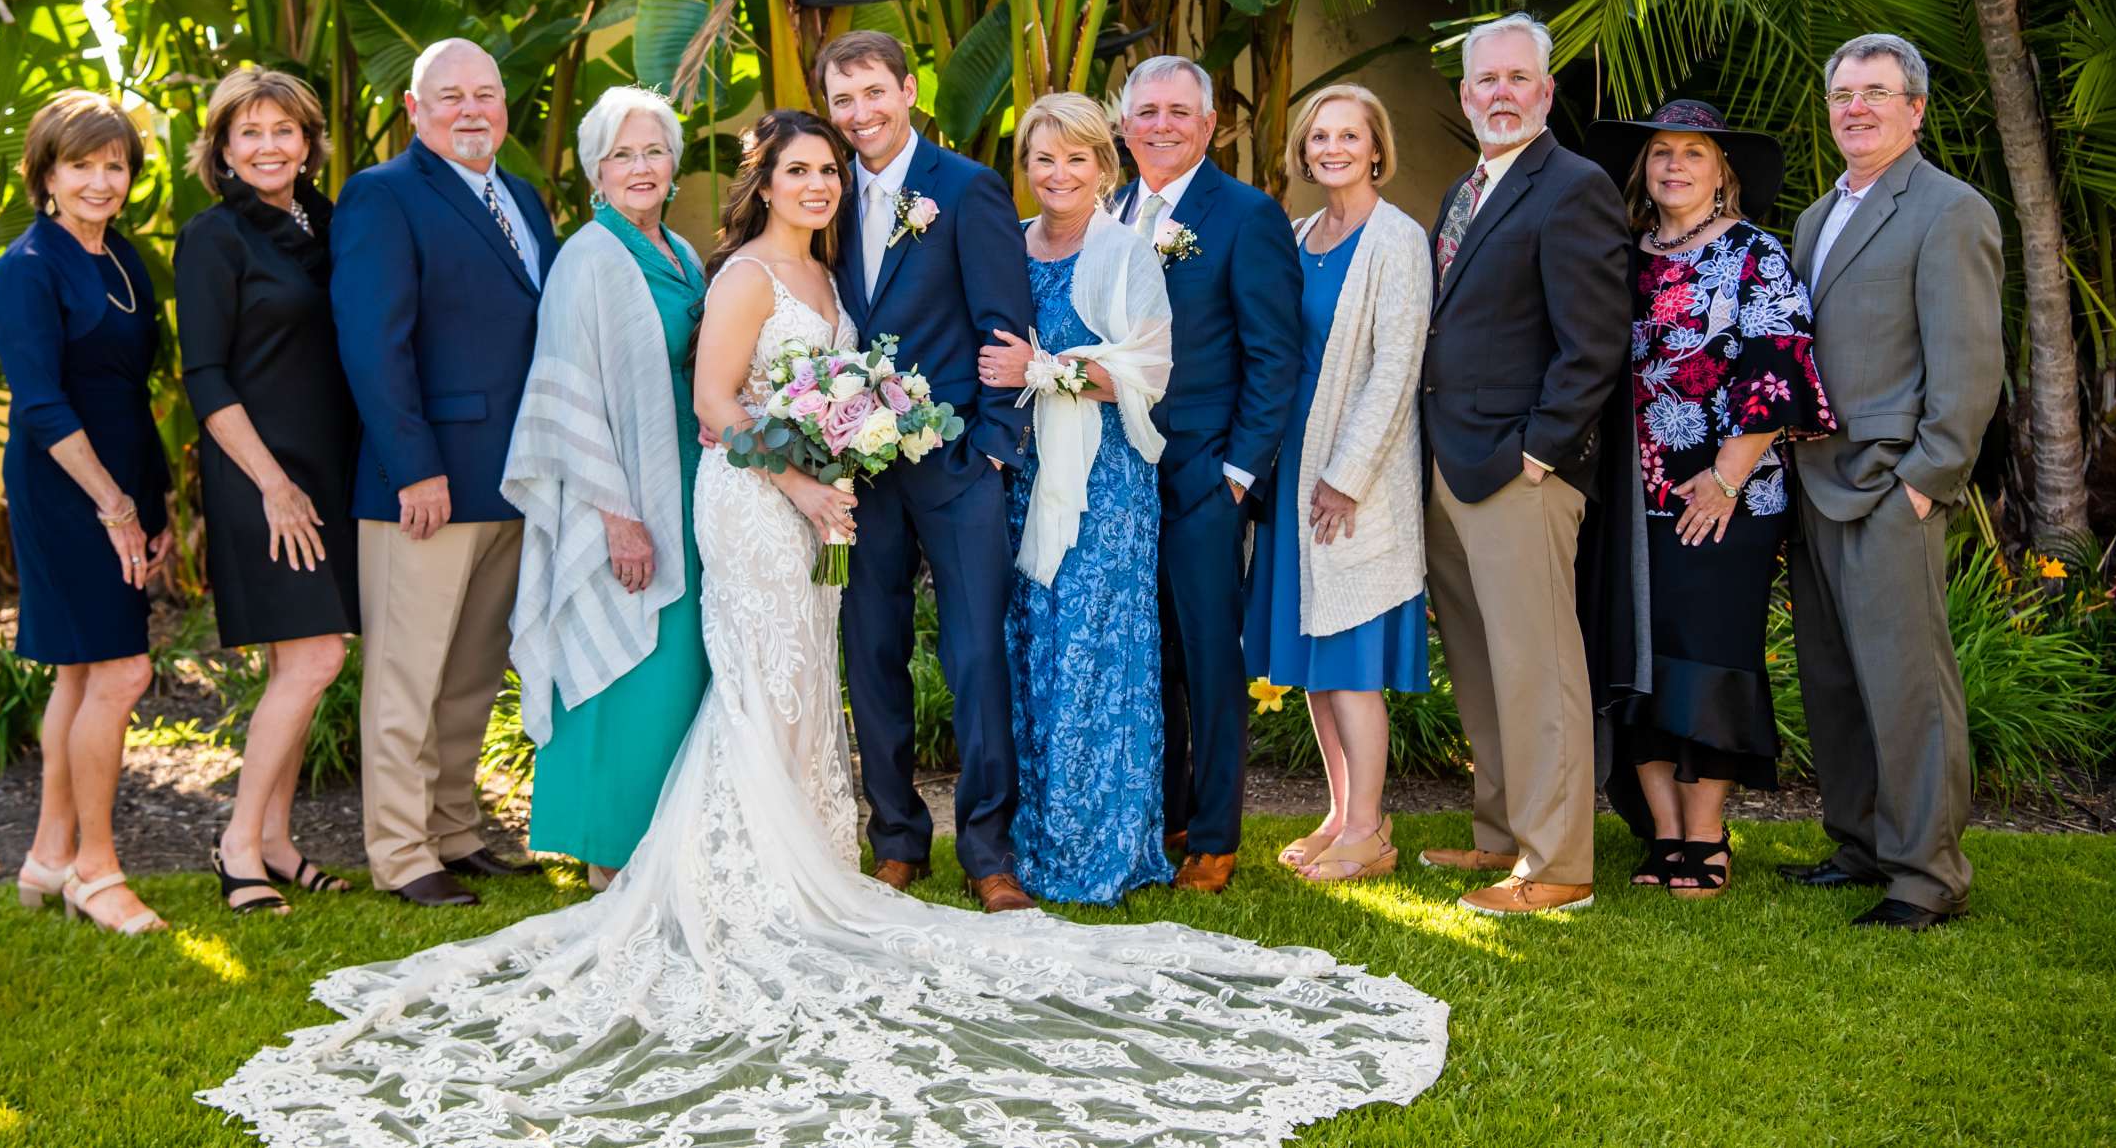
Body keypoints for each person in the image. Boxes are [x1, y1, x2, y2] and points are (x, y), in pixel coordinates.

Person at [200, 109, 1449, 1147]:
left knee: (803, 682)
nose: (812, 181)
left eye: (821, 169)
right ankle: (742, 868)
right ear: (769, 181)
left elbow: (850, 377)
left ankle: (807, 859)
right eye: (795, 167)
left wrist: (846, 453)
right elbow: (712, 401)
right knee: (764, 679)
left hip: (818, 503)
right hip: (757, 502)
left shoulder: (817, 266)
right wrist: (801, 479)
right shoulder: (746, 270)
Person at [330, 38, 562, 907]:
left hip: (513, 481)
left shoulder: (526, 201)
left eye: (487, 94)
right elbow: (372, 344)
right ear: (416, 110)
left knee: (470, 673)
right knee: (408, 674)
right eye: (451, 95)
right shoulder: (382, 198)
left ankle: (455, 829)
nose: (473, 110)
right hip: (424, 487)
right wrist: (413, 468)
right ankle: (400, 851)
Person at [1584, 98, 1834, 897]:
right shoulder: (1623, 256)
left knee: (1712, 659)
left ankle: (1708, 833)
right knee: (1642, 658)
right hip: (1632, 496)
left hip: (1727, 497)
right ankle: (1663, 832)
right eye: (1661, 152)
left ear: (1722, 173)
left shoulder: (1754, 255)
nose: (1675, 166)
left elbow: (1776, 370)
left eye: (1693, 154)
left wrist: (1726, 480)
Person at [1780, 33, 2002, 930]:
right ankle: (1861, 842)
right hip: (1815, 479)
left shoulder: (1949, 210)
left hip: (1889, 484)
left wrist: (1928, 477)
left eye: (1876, 92)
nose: (1856, 107)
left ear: (1914, 109)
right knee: (1834, 678)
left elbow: (1970, 360)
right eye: (1842, 93)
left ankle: (1926, 876)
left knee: (1909, 685)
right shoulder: (1814, 217)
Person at [1417, 13, 1630, 916]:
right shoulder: (1464, 191)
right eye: (1485, 81)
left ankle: (1559, 866)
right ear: (1466, 97)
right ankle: (1502, 834)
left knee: (1537, 665)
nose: (1501, 93)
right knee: (1481, 661)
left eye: (1518, 79)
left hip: (1518, 472)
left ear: (1545, 93)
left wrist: (1540, 452)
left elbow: (1595, 342)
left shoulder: (1572, 187)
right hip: (1450, 463)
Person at [817, 31, 1036, 912]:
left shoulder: (966, 188)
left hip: (954, 465)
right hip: (858, 475)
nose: (860, 114)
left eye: (874, 93)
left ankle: (988, 851)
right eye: (843, 100)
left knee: (977, 654)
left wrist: (988, 447)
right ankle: (897, 839)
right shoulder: (823, 193)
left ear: (909, 90)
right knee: (871, 655)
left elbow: (1005, 326)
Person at [503, 87, 708, 893]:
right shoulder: (589, 259)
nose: (640, 167)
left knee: (673, 674)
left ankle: (662, 844)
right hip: (620, 500)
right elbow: (568, 399)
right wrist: (618, 519)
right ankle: (606, 850)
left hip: (688, 490)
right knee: (622, 664)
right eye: (622, 154)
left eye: (654, 151)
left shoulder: (681, 255)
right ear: (595, 168)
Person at [975, 93, 1175, 904]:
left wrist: (1041, 369)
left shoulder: (1126, 253)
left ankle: (1103, 846)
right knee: (1035, 650)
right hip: (1026, 482)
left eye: (1076, 159)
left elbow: (1145, 375)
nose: (1058, 174)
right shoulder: (1009, 248)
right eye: (1042, 159)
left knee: (1098, 654)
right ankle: (1034, 838)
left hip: (1107, 491)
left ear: (1105, 166)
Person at [0, 89, 173, 935]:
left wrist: (155, 496)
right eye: (81, 165)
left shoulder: (121, 258)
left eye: (115, 165)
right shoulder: (26, 268)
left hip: (124, 481)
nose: (101, 181)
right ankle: (96, 870)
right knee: (123, 671)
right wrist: (113, 506)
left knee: (83, 671)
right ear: (45, 174)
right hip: (67, 490)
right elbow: (42, 404)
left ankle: (47, 857)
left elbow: (133, 392)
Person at [1114, 54, 1304, 893]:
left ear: (1209, 124)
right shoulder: (1108, 211)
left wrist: (1237, 472)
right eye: (1146, 111)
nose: (1161, 125)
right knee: (1149, 656)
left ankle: (1218, 836)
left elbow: (1274, 357)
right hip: (1117, 475)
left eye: (1178, 112)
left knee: (1208, 657)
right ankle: (1169, 812)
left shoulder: (1246, 215)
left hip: (1202, 475)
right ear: (1125, 127)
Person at [175, 68, 360, 916]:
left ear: (308, 141)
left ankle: (279, 841)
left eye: (282, 130)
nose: (267, 146)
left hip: (330, 468)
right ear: (221, 148)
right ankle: (238, 842)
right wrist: (275, 486)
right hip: (262, 474)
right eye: (248, 133)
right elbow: (206, 380)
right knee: (316, 655)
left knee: (307, 659)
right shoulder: (214, 239)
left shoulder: (328, 221)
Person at [1243, 85, 1433, 885]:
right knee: (1315, 658)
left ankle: (1371, 832)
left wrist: (1346, 478)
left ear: (1376, 146)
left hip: (1355, 480)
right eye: (1319, 135)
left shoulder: (1399, 240)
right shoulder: (1297, 235)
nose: (1332, 148)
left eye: (1348, 135)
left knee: (1351, 657)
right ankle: (1342, 813)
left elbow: (1396, 369)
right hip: (1293, 473)